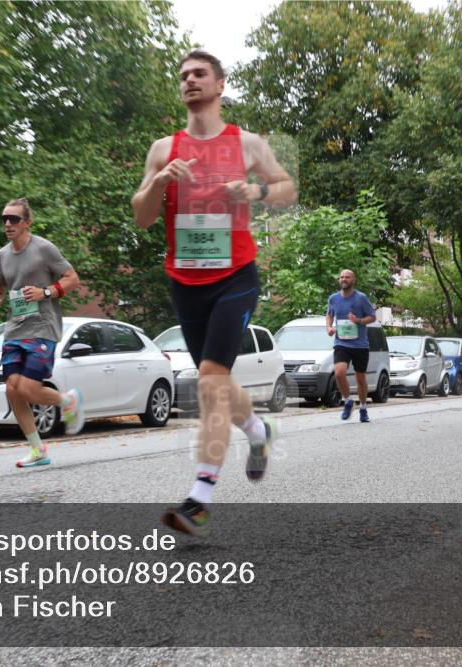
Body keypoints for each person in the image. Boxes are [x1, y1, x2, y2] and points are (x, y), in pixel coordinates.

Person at [131, 49, 297, 536]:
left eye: (199, 74)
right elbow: (141, 217)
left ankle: (199, 500)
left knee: (209, 381)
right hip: (185, 282)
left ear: (220, 85)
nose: (189, 81)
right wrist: (159, 182)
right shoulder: (164, 149)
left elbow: (287, 187)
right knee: (218, 384)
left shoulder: (245, 144)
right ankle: (259, 432)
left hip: (235, 277)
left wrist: (257, 192)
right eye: (183, 76)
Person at [0, 197, 85, 468]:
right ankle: (38, 450)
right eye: (4, 219)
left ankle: (68, 400)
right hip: (16, 327)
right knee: (13, 389)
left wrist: (47, 292)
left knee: (29, 388)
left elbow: (73, 278)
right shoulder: (2, 255)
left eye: (14, 219)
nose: (8, 224)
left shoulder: (43, 248)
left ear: (27, 222)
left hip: (42, 325)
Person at [326, 269, 376, 422]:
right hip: (341, 342)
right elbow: (329, 314)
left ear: (353, 280)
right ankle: (348, 401)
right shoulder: (333, 298)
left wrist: (359, 321)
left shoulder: (361, 298)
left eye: (347, 277)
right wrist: (329, 327)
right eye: (341, 277)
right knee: (339, 373)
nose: (344, 279)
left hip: (360, 345)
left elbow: (372, 317)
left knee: (360, 379)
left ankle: (362, 408)